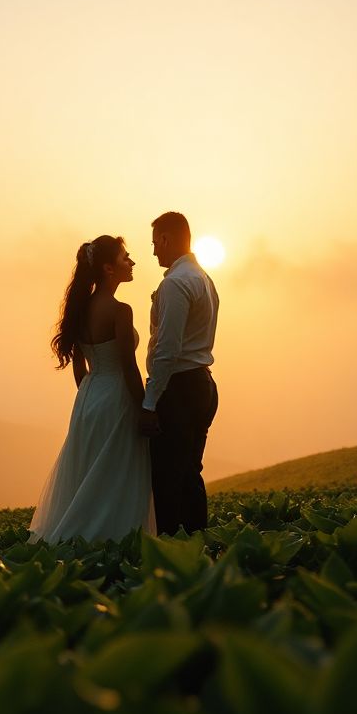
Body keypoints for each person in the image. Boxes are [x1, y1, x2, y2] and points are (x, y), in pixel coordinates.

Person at [29, 235, 156, 543]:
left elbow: (78, 365)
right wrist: (144, 408)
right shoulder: (119, 310)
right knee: (116, 473)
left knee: (88, 471)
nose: (132, 262)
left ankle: (79, 540)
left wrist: (89, 394)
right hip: (117, 397)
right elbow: (128, 365)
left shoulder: (81, 309)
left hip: (88, 397)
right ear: (108, 269)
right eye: (126, 257)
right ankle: (112, 538)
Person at [140, 212, 219, 535]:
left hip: (179, 389)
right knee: (188, 473)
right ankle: (197, 543)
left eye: (155, 243)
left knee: (168, 477)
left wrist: (149, 402)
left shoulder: (175, 283)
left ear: (166, 239)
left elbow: (167, 351)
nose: (154, 251)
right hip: (201, 383)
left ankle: (173, 549)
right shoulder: (203, 277)